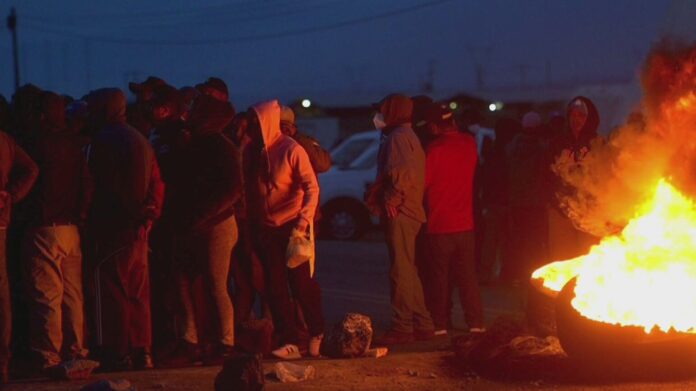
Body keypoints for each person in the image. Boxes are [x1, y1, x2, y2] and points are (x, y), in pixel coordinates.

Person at [160, 94, 242, 367]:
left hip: (215, 225)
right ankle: (190, 340)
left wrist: (202, 214)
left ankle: (225, 343)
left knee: (215, 284)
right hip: (193, 224)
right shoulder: (196, 143)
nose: (190, 112)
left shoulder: (220, 146)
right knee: (181, 281)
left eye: (197, 109)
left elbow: (232, 189)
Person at [86, 88, 165, 371]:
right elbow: (157, 183)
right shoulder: (141, 140)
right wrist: (149, 216)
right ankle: (143, 350)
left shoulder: (103, 141)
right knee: (138, 293)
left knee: (112, 291)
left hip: (113, 229)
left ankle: (117, 352)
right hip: (139, 232)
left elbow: (100, 187)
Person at [245, 100, 324, 359]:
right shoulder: (253, 152)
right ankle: (289, 340)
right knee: (275, 287)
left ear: (266, 121)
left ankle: (316, 333)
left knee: (301, 284)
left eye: (256, 122)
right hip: (268, 229)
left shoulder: (292, 149)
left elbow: (312, 188)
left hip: (294, 227)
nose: (252, 127)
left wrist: (302, 222)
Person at [22, 92, 93, 371]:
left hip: (43, 227)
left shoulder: (34, 144)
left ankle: (49, 354)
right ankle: (77, 351)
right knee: (73, 294)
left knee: (47, 294)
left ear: (39, 115)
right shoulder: (73, 145)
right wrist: (82, 215)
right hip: (71, 228)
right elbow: (88, 184)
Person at [366, 94, 434, 345]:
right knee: (408, 270)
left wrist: (391, 200)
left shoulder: (397, 138)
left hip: (402, 213)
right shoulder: (405, 136)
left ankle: (403, 326)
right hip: (409, 211)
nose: (378, 117)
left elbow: (403, 175)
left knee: (400, 272)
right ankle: (423, 323)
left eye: (382, 111)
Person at [422, 103, 484, 335]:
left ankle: (439, 325)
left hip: (439, 224)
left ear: (434, 126)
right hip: (465, 224)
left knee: (439, 279)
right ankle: (476, 323)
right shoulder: (469, 144)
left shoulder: (434, 150)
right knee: (468, 277)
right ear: (454, 122)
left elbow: (424, 183)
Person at [0, 128, 39, 384]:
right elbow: (31, 169)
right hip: (0, 221)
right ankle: (2, 363)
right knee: (1, 292)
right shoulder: (4, 139)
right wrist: (11, 195)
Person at [546, 97, 600, 261]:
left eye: (581, 116)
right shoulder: (557, 143)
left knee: (588, 255)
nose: (576, 120)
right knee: (562, 255)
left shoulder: (598, 143)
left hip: (589, 211)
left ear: (589, 118)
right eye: (573, 115)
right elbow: (546, 175)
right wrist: (555, 201)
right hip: (560, 211)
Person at [504, 112, 549, 283]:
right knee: (535, 242)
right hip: (535, 203)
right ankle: (534, 275)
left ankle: (519, 274)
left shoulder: (512, 147)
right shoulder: (541, 148)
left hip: (516, 202)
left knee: (519, 241)